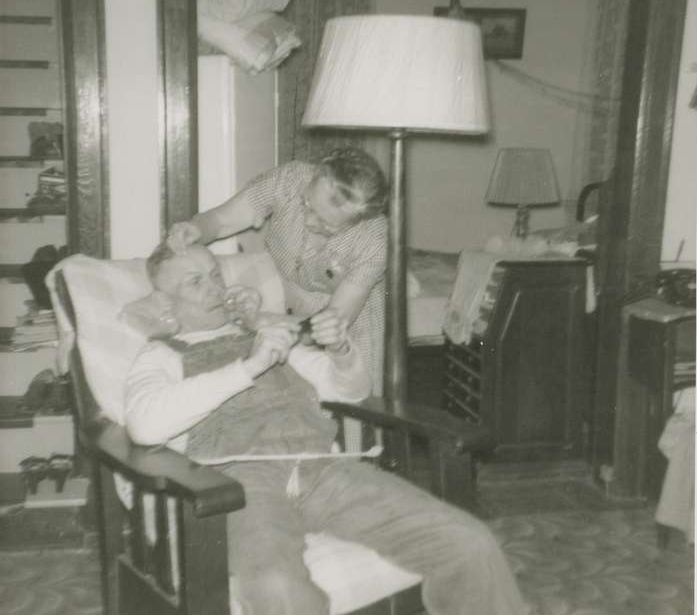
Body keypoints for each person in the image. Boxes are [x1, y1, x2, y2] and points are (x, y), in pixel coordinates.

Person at [124, 241, 527, 615]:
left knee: (468, 542)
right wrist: (249, 367)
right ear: (165, 302)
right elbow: (144, 425)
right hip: (240, 485)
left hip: (325, 470)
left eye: (215, 274)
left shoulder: (266, 332)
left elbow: (350, 391)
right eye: (196, 282)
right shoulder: (160, 357)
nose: (215, 287)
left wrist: (341, 351)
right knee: (275, 585)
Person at [167, 147, 388, 397]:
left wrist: (262, 323)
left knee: (355, 401)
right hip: (289, 309)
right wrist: (197, 229)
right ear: (314, 176)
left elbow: (332, 320)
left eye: (327, 224)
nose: (309, 223)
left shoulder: (375, 240)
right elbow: (223, 220)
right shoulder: (289, 179)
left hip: (348, 326)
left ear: (357, 222)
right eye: (307, 204)